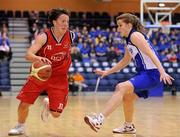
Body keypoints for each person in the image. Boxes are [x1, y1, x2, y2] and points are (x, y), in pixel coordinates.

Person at [84, 13, 174, 134]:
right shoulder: (128, 41)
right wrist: (107, 72)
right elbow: (124, 62)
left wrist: (162, 72)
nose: (118, 28)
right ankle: (128, 126)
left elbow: (151, 54)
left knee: (121, 87)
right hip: (144, 74)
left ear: (129, 25)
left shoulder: (135, 36)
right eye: (117, 25)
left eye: (120, 25)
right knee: (127, 97)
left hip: (152, 74)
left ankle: (99, 119)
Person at [8, 8, 75, 136]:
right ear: (54, 22)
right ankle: (20, 126)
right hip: (41, 75)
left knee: (56, 114)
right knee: (24, 104)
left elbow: (65, 51)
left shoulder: (71, 35)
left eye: (67, 21)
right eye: (63, 21)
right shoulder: (43, 37)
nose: (66, 24)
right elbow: (28, 55)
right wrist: (38, 58)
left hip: (59, 78)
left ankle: (49, 104)